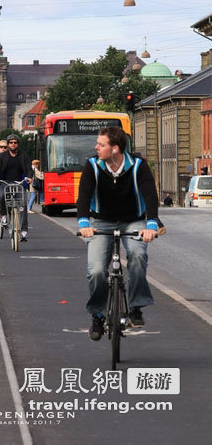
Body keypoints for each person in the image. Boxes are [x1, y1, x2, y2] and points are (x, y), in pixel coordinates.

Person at [77, 126, 158, 341]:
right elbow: (84, 194)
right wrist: (84, 222)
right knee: (95, 270)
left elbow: (150, 194)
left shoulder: (138, 165)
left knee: (138, 256)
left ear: (114, 149)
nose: (96, 148)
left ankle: (136, 307)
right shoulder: (93, 165)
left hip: (133, 221)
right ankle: (97, 313)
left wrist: (151, 224)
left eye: (100, 144)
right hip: (101, 222)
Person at [0, 134, 33, 242]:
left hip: (19, 182)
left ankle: (24, 231)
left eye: (15, 142)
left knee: (23, 204)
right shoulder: (3, 156)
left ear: (18, 144)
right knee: (1, 196)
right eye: (11, 142)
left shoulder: (23, 155)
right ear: (8, 144)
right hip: (5, 182)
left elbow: (29, 168)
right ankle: (4, 215)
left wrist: (29, 177)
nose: (13, 144)